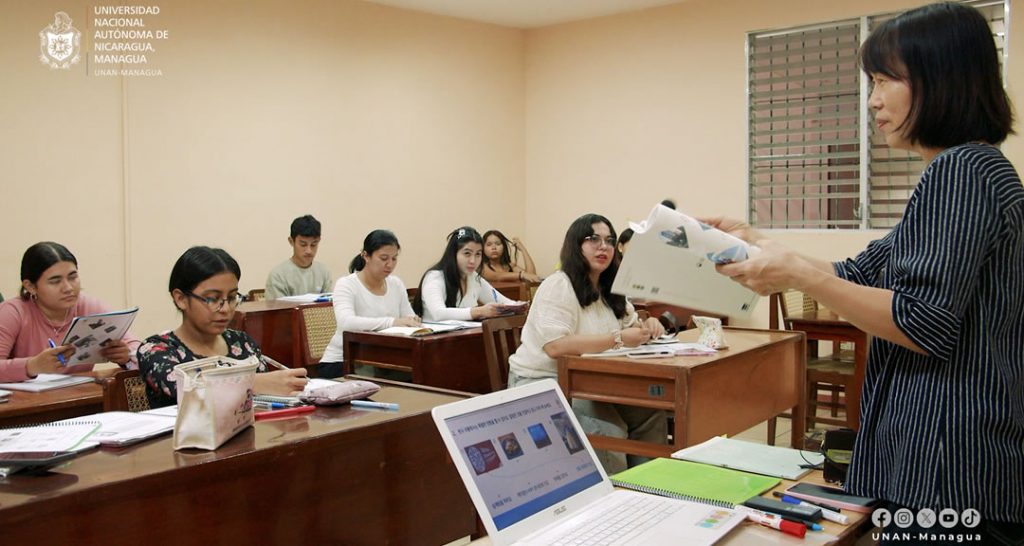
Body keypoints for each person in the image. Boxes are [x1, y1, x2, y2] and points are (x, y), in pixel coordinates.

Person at [711, 3, 1023, 541]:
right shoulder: (966, 170)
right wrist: (757, 241)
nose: (873, 100)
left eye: (885, 81)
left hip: (948, 470)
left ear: (940, 79)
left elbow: (922, 323)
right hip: (947, 465)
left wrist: (798, 276)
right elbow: (857, 271)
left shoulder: (962, 173)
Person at [507, 214, 666, 473]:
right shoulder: (558, 285)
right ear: (575, 245)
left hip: (591, 380)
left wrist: (648, 327)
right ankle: (613, 499)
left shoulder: (610, 287)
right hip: (544, 380)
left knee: (650, 412)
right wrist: (617, 339)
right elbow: (556, 347)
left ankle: (647, 485)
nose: (603, 247)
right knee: (609, 428)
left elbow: (631, 326)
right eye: (594, 239)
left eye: (609, 241)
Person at [138, 246, 308, 408]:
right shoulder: (156, 350)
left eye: (232, 297)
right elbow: (188, 390)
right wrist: (254, 383)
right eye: (212, 299)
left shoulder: (241, 343)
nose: (226, 309)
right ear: (181, 299)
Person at [0, 242, 140, 382]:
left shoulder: (88, 306)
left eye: (73, 277)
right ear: (30, 286)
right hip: (24, 401)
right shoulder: (13, 312)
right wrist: (32, 366)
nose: (68, 288)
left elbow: (139, 349)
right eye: (55, 281)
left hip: (78, 397)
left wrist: (126, 355)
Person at [318, 230, 420, 378]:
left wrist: (413, 322)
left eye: (394, 259)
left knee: (420, 376)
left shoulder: (396, 284)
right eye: (384, 258)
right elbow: (347, 322)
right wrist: (392, 323)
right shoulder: (346, 284)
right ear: (366, 256)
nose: (390, 264)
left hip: (384, 360)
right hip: (343, 362)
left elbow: (408, 315)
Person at [412, 227, 517, 322]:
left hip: (464, 337)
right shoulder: (435, 277)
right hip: (435, 339)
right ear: (453, 254)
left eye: (478, 254)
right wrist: (478, 311)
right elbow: (438, 313)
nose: (473, 260)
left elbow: (503, 302)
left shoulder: (474, 277)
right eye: (467, 253)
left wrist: (519, 306)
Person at [265, 214, 333, 299]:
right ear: (291, 241)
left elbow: (329, 306)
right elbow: (275, 310)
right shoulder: (278, 275)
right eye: (303, 244)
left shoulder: (324, 272)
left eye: (313, 244)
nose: (309, 251)